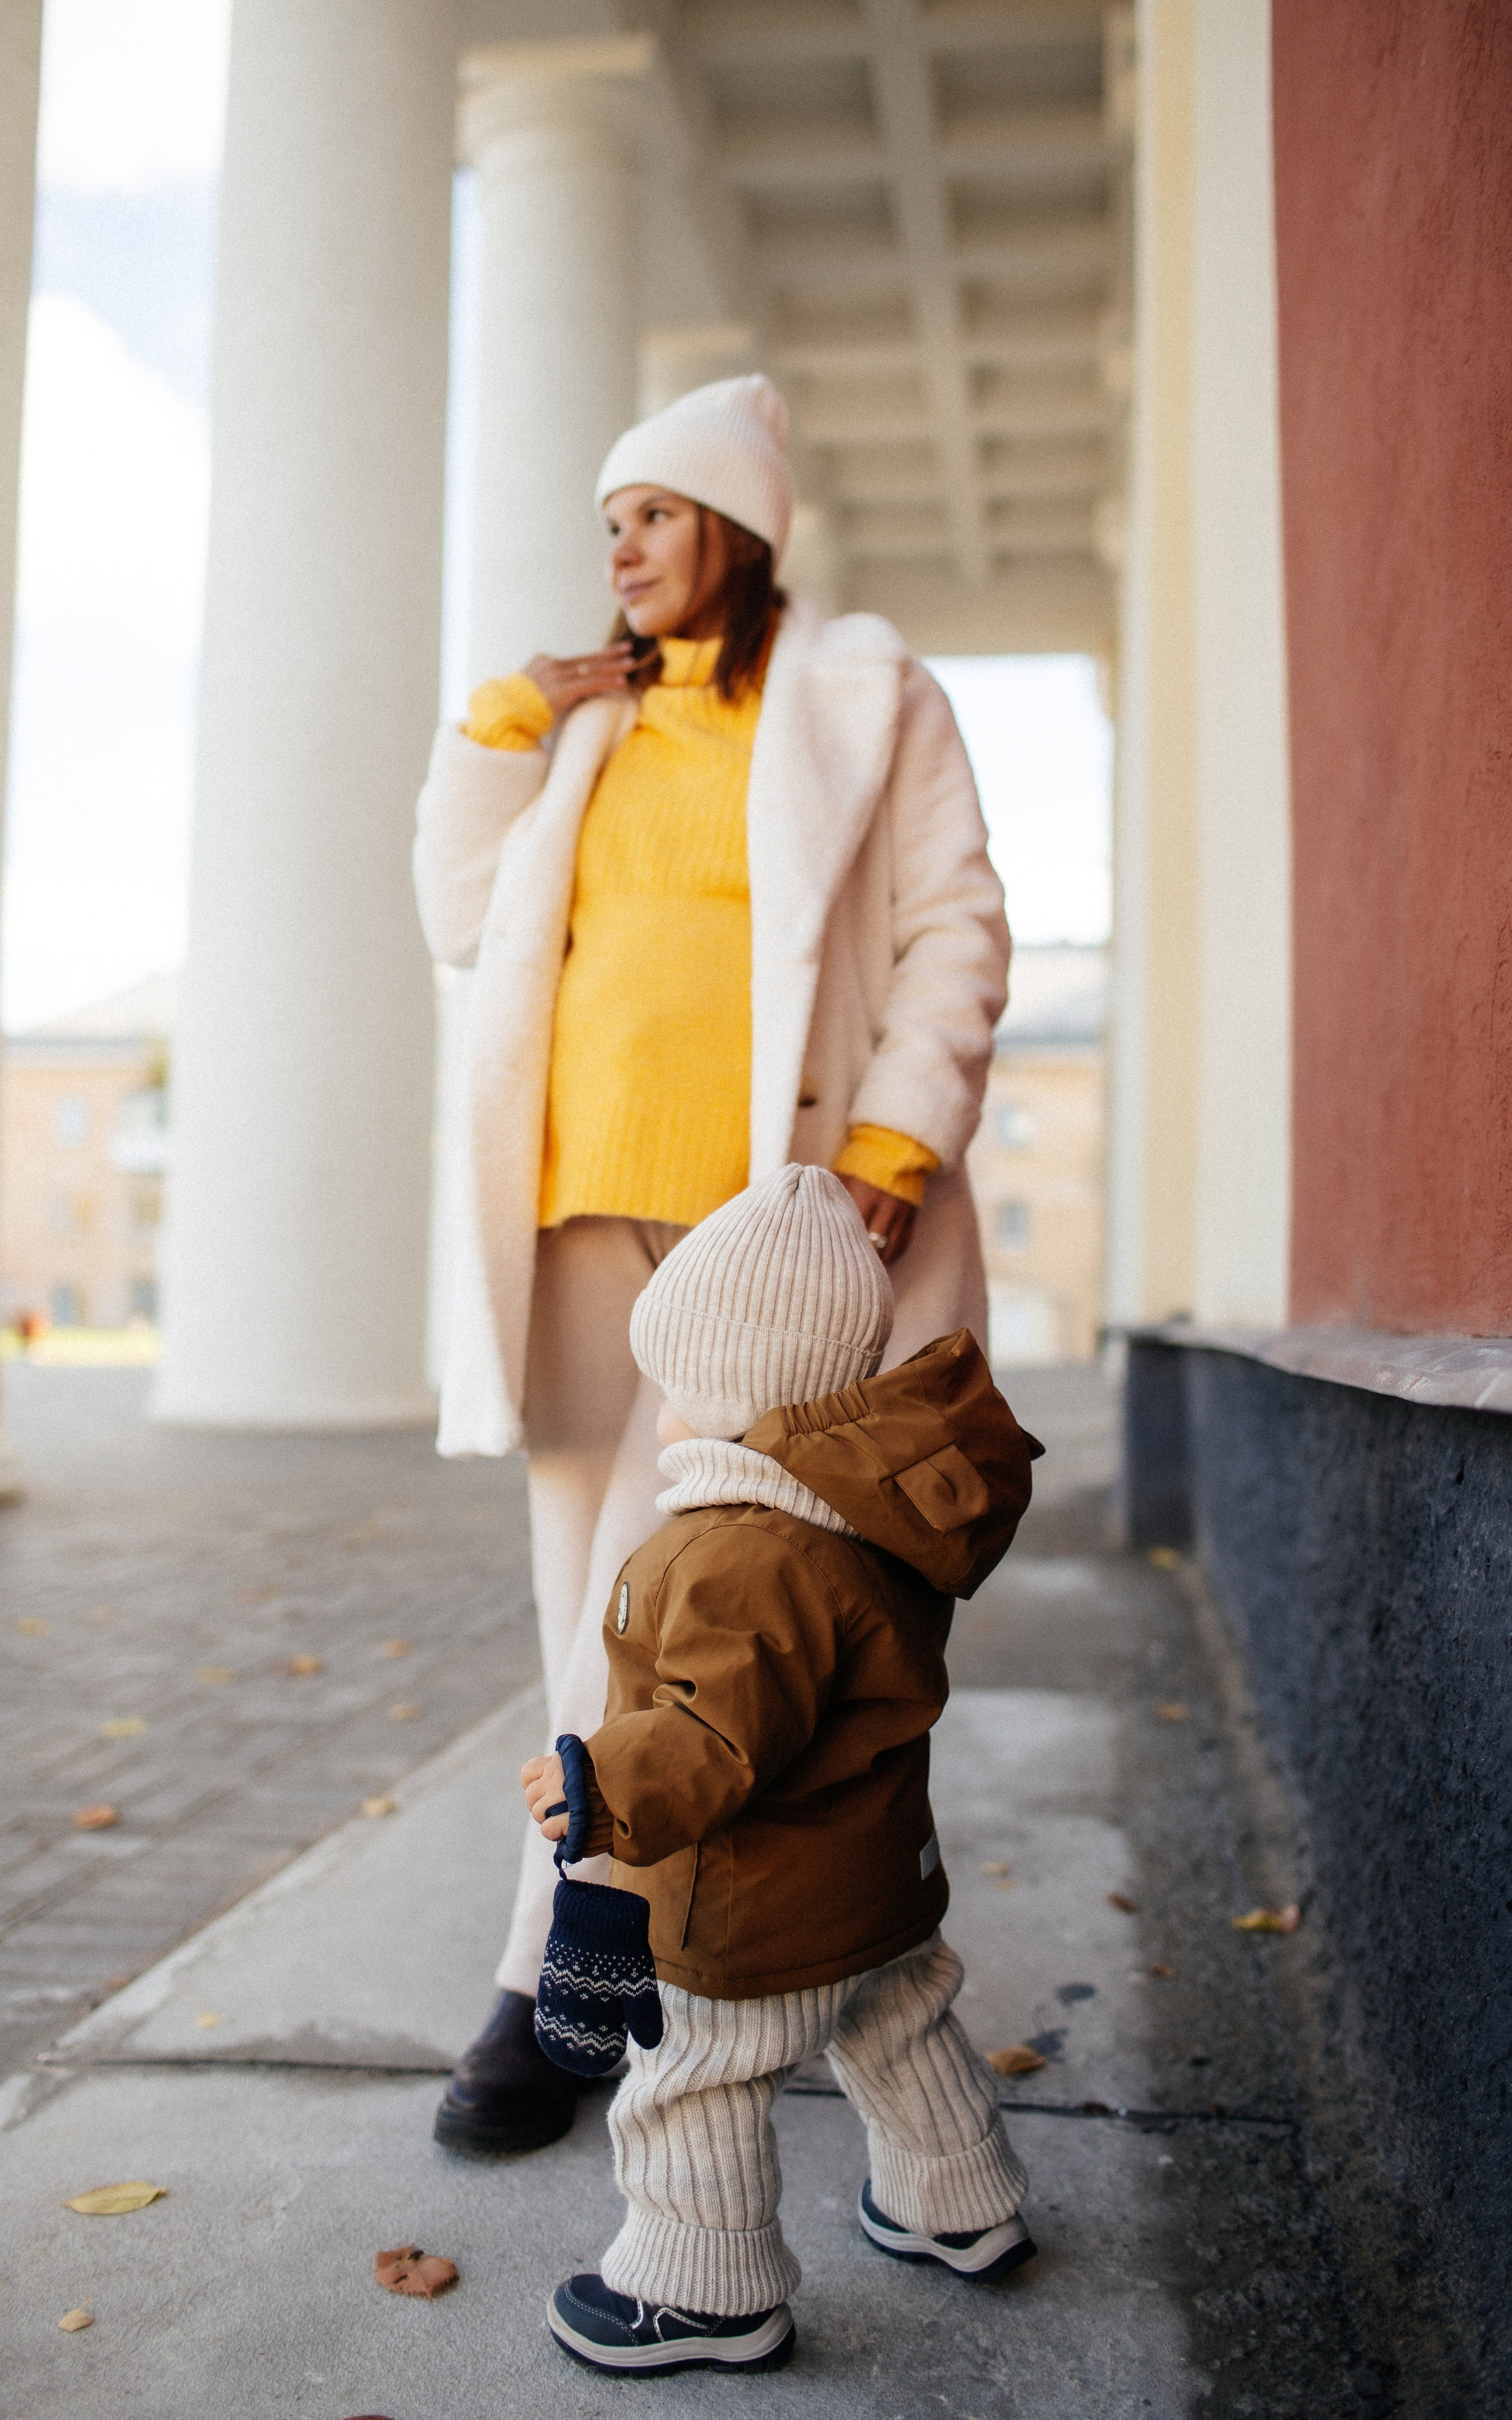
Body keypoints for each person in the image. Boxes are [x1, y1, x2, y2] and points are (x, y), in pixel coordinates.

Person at [413, 374, 1011, 2153]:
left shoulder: (863, 693)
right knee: (591, 1603)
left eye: (656, 515)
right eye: (610, 522)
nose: (621, 549)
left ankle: (556, 1972)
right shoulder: (590, 726)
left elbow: (954, 922)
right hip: (578, 1210)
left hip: (767, 1232)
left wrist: (894, 1146)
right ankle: (640, 1946)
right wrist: (503, 723)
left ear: (737, 531)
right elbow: (460, 914)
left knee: (675, 1584)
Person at [521, 1164, 1040, 2377]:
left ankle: (702, 2290)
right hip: (875, 1879)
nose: (661, 1414)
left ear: (731, 1394)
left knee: (693, 2076)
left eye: (675, 1388)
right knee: (902, 2025)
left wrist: (599, 1781)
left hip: (754, 1906)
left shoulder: (738, 1555)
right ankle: (961, 2205)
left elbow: (718, 1735)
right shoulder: (862, 1519)